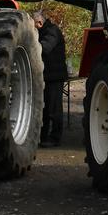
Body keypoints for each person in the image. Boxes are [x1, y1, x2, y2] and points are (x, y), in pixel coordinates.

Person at [34, 9, 68, 147]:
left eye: (34, 24)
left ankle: (55, 138)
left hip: (54, 76)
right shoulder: (44, 31)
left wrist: (31, 44)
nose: (33, 27)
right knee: (45, 109)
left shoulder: (52, 31)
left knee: (54, 109)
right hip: (47, 76)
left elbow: (45, 48)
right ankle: (43, 137)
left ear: (40, 22)